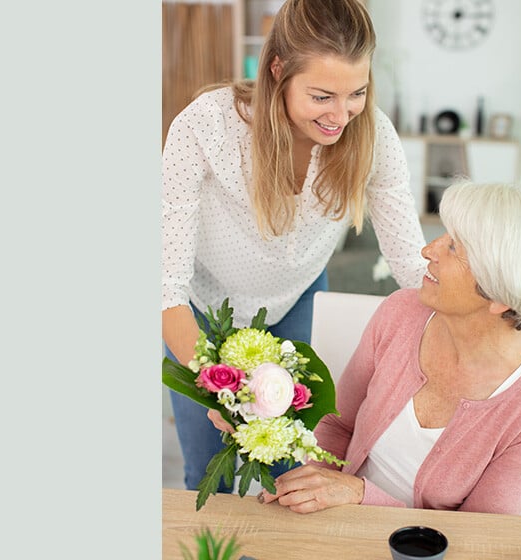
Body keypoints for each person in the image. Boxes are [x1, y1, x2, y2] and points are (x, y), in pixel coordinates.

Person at [161, 0, 430, 493]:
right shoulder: (205, 127)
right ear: (278, 70)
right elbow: (164, 288)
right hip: (200, 309)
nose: (341, 115)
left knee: (295, 470)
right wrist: (223, 392)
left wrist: (496, 320)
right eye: (322, 95)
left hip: (296, 301)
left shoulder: (374, 137)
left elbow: (413, 266)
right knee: (208, 472)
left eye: (358, 93)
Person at [216, 180, 521, 514]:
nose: (428, 250)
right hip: (336, 521)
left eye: (454, 247)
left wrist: (360, 494)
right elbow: (338, 424)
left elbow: (479, 540)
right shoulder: (401, 312)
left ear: (500, 293)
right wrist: (315, 486)